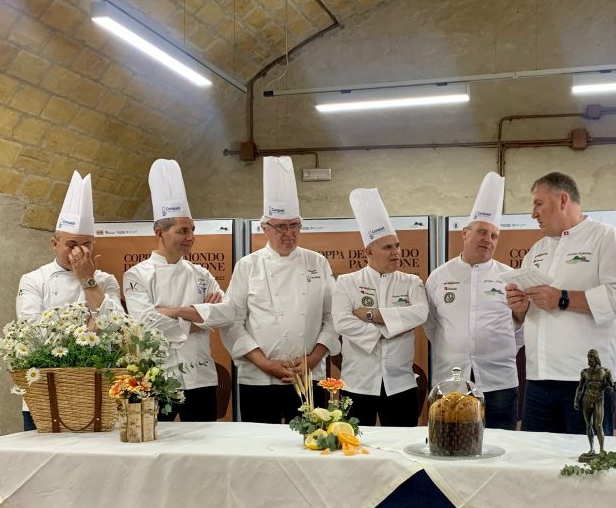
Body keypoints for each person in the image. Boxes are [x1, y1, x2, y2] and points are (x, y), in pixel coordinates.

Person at [172, 157, 339, 424]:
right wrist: (263, 362)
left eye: (295, 225)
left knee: (312, 446)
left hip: (308, 375)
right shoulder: (248, 265)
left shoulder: (317, 262)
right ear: (264, 228)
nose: (289, 234)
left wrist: (314, 357)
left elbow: (332, 317)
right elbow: (233, 321)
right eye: (281, 227)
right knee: (260, 451)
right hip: (259, 378)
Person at [505, 172, 616, 435]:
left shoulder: (607, 238)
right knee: (537, 463)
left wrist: (563, 298)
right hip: (538, 379)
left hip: (588, 382)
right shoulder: (537, 250)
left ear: (563, 200)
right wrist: (520, 310)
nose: (533, 214)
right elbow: (528, 314)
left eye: (538, 204)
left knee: (586, 466)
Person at [16, 170, 122, 430]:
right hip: (43, 389)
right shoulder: (33, 280)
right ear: (54, 243)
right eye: (71, 244)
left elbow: (116, 328)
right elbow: (32, 333)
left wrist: (87, 279)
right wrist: (87, 324)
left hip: (96, 388)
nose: (79, 252)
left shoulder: (105, 281)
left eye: (87, 244)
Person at [121, 160, 224, 422]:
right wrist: (197, 318)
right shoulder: (136, 275)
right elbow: (145, 322)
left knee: (204, 449)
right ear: (160, 232)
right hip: (158, 379)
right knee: (157, 447)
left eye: (192, 230)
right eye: (183, 230)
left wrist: (175, 311)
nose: (191, 236)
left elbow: (225, 313)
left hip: (201, 377)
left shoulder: (201, 273)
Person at [424, 172, 522, 430]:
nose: (487, 240)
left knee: (502, 445)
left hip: (499, 380)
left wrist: (502, 349)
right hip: (450, 381)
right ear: (465, 234)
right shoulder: (439, 277)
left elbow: (521, 326)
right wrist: (455, 346)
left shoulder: (509, 277)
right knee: (449, 444)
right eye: (481, 232)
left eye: (493, 235)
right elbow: (432, 325)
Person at [332, 188, 428, 427]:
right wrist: (392, 328)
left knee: (400, 451)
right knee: (352, 448)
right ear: (369, 251)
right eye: (387, 247)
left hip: (401, 384)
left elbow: (420, 313)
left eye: (397, 246)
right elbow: (342, 322)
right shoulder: (347, 282)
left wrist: (372, 315)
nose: (396, 252)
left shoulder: (411, 282)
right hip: (357, 383)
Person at [574, 349, 615, 455]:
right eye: (588, 357)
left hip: (598, 399)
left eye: (592, 357)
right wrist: (576, 400)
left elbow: (613, 387)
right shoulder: (584, 372)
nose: (590, 359)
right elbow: (580, 387)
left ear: (597, 358)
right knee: (588, 425)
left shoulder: (605, 372)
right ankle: (592, 448)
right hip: (587, 398)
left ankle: (601, 450)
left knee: (599, 425)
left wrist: (609, 388)